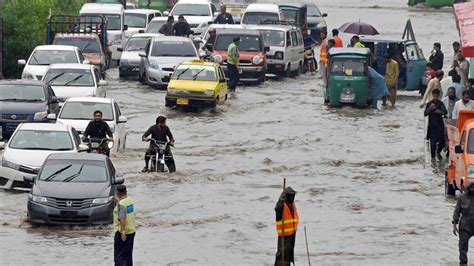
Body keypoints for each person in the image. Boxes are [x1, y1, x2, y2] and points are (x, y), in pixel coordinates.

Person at [275, 187, 299, 266]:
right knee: (282, 255)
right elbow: (277, 208)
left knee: (288, 255)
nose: (293, 198)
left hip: (292, 236)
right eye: (291, 196)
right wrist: (281, 199)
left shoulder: (292, 205)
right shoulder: (282, 206)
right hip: (284, 236)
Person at [113, 184, 136, 266]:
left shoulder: (121, 204)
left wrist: (122, 232)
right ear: (126, 192)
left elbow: (122, 218)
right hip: (131, 231)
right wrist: (117, 200)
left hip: (122, 233)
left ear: (118, 193)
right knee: (128, 255)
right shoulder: (129, 200)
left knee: (118, 256)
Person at [453, 181, 474, 265]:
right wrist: (455, 224)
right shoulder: (462, 197)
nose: (473, 189)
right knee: (462, 246)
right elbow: (457, 211)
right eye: (471, 188)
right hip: (465, 225)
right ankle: (463, 263)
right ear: (468, 188)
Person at [424, 88, 447, 161]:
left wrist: (437, 111)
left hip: (440, 125)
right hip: (432, 126)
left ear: (439, 96)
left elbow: (444, 112)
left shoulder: (441, 103)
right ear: (432, 95)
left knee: (442, 141)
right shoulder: (429, 104)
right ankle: (433, 157)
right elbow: (425, 114)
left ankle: (438, 151)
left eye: (436, 96)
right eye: (434, 96)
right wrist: (429, 109)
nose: (435, 97)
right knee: (432, 143)